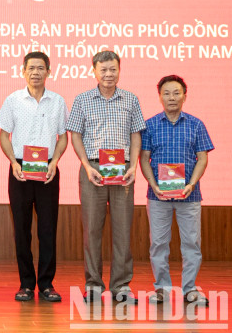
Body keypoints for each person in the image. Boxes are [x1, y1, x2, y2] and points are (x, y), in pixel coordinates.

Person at [66, 50, 145, 304]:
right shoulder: (82, 99)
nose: (108, 74)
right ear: (94, 71)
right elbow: (75, 135)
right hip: (93, 171)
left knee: (123, 230)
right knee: (91, 230)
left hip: (123, 172)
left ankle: (121, 285)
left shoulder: (131, 99)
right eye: (103, 70)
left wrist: (133, 167)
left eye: (113, 69)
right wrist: (86, 166)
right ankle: (93, 285)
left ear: (119, 70)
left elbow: (135, 135)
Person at [0, 51, 68, 302]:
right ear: (22, 71)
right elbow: (4, 135)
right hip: (20, 169)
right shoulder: (13, 100)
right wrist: (13, 163)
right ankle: (26, 284)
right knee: (22, 229)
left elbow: (63, 138)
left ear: (49, 71)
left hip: (47, 170)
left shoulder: (58, 101)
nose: (36, 72)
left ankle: (47, 284)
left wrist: (55, 162)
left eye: (41, 68)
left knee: (48, 229)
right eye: (31, 68)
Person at [139, 75, 214, 306]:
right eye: (167, 93)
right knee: (158, 244)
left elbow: (202, 158)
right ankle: (161, 289)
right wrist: (152, 184)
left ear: (185, 96)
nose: (172, 97)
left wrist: (191, 183)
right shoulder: (150, 124)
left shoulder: (196, 124)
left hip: (189, 196)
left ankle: (189, 289)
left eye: (176, 93)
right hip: (158, 196)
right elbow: (143, 158)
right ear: (160, 96)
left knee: (191, 243)